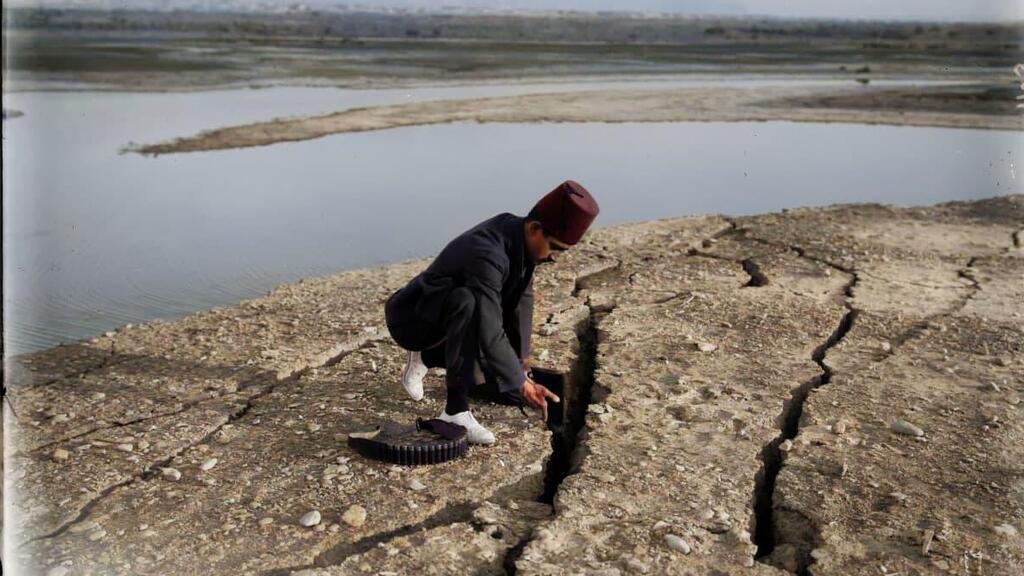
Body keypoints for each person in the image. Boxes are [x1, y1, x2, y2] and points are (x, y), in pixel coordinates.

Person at [384, 180, 600, 444]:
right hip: (413, 320)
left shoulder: (520, 238)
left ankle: (427, 357)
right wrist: (520, 380)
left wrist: (521, 363)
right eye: (555, 247)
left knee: (506, 385)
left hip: (448, 321)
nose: (555, 257)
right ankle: (455, 411)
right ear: (534, 229)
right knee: (468, 302)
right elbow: (488, 325)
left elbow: (523, 300)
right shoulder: (488, 252)